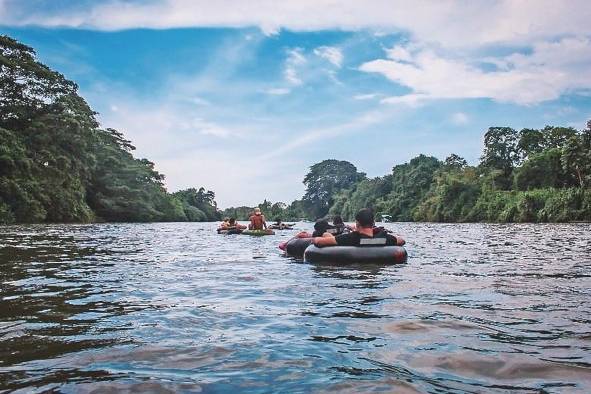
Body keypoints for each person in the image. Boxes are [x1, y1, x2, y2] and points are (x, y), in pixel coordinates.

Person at [314, 208, 405, 247]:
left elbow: (318, 242)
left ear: (357, 223)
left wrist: (320, 237)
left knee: (326, 234)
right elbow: (401, 241)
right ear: (373, 223)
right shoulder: (383, 238)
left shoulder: (351, 238)